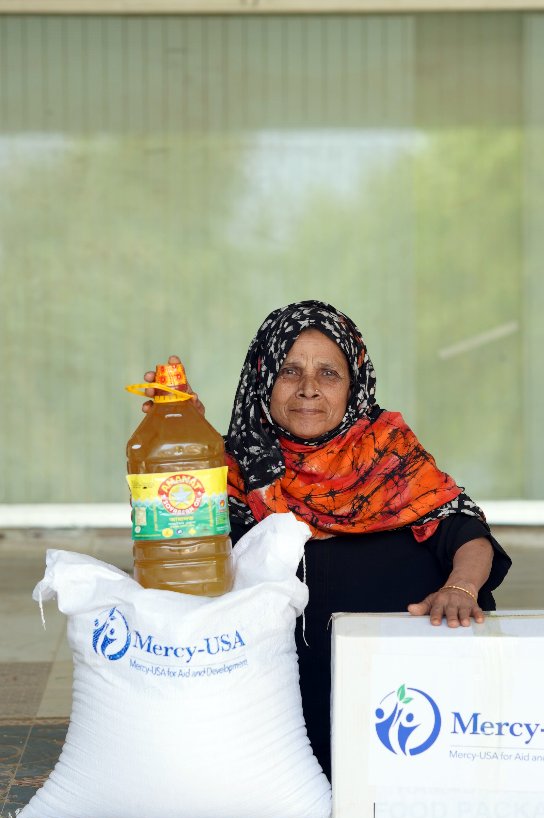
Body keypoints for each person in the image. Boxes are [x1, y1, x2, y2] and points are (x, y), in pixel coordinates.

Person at [144, 299, 511, 778]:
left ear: (354, 384)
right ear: (262, 380)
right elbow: (180, 551)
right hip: (267, 730)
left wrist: (460, 588)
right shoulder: (231, 468)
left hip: (407, 717)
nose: (309, 389)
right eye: (289, 371)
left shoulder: (389, 456)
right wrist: (181, 435)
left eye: (329, 374)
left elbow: (465, 531)